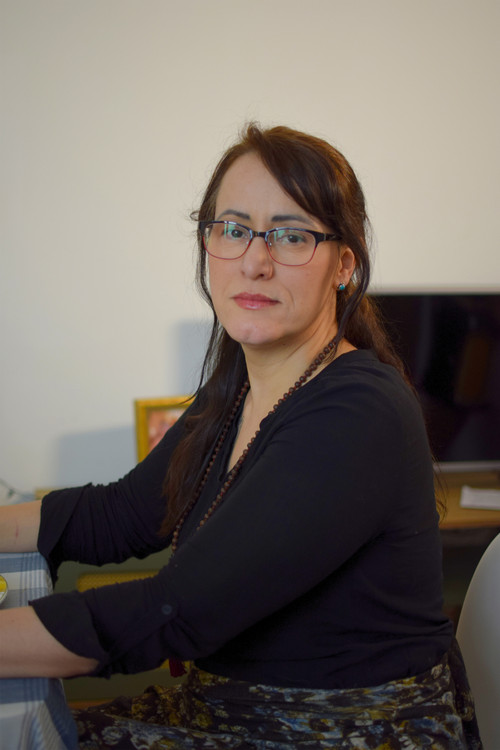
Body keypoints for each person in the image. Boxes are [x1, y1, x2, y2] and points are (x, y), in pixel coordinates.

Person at [0, 124, 481, 749]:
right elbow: (122, 514)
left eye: (291, 235)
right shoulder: (238, 388)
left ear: (344, 265)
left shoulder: (359, 411)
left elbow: (176, 609)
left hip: (342, 732)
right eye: (232, 229)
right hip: (231, 710)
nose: (254, 261)